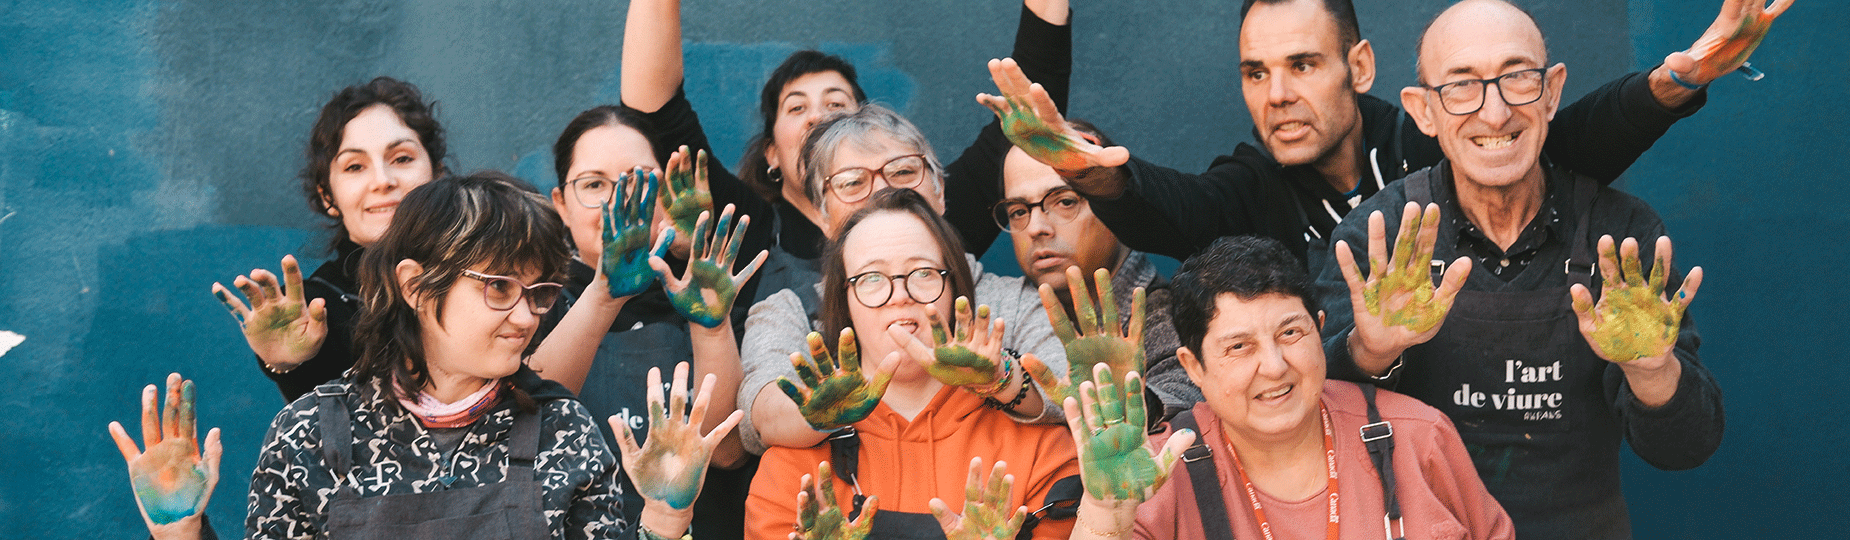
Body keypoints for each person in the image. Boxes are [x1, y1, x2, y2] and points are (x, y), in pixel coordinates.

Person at [1314, 1, 1731, 537]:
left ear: (1552, 91)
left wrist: (1651, 370)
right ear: (1422, 110)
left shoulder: (1619, 238)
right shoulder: (1381, 238)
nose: (1495, 113)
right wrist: (1372, 351)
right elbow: (1317, 432)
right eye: (1462, 85)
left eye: (1517, 78)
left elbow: (1686, 450)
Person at [115, 172, 696, 539]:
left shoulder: (563, 429)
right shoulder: (308, 435)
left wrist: (667, 522)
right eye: (498, 287)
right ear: (416, 286)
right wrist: (181, 534)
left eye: (539, 292)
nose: (526, 317)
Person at [978, 0, 1784, 263]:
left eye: (1302, 65)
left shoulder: (1432, 138)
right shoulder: (1251, 184)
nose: (1278, 95)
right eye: (1256, 73)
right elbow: (1174, 213)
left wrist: (1680, 78)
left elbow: (1572, 140)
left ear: (1358, 67)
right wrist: (1088, 173)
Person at [1059, 235, 1513, 539]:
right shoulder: (1155, 473)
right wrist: (1105, 514)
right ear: (1193, 367)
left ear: (1319, 330)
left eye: (1290, 334)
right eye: (1239, 347)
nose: (1274, 367)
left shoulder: (1418, 436)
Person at [618, 0, 1073, 279]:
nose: (818, 116)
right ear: (772, 154)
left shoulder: (934, 210)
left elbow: (1027, 113)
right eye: (796, 108)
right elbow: (653, 110)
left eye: (837, 105)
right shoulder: (745, 229)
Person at [744, 189, 1081, 540]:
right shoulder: (794, 468)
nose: (901, 294)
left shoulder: (1041, 448)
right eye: (872, 278)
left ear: (955, 288)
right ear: (844, 301)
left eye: (922, 273)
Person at [737, 106, 1067, 454]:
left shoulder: (1012, 301)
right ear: (822, 215)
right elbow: (760, 416)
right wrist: (817, 416)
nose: (882, 190)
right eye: (852, 182)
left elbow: (1072, 394)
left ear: (940, 190)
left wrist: (1002, 378)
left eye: (904, 171)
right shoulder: (789, 313)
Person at [529, 104, 767, 539]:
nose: (622, 201)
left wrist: (709, 324)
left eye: (642, 182)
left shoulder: (711, 295)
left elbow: (728, 451)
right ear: (560, 204)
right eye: (595, 184)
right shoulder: (532, 307)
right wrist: (604, 292)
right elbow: (526, 424)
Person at [212, 77, 447, 402]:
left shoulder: (495, 275)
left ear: (439, 174)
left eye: (402, 159)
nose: (383, 180)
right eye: (355, 166)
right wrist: (288, 365)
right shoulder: (313, 307)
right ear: (327, 196)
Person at [988, 120, 1186, 412]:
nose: (1036, 228)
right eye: (1018, 211)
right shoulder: (997, 320)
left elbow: (1187, 399)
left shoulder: (1171, 316)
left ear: (1113, 203)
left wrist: (1130, 404)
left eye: (1065, 202)